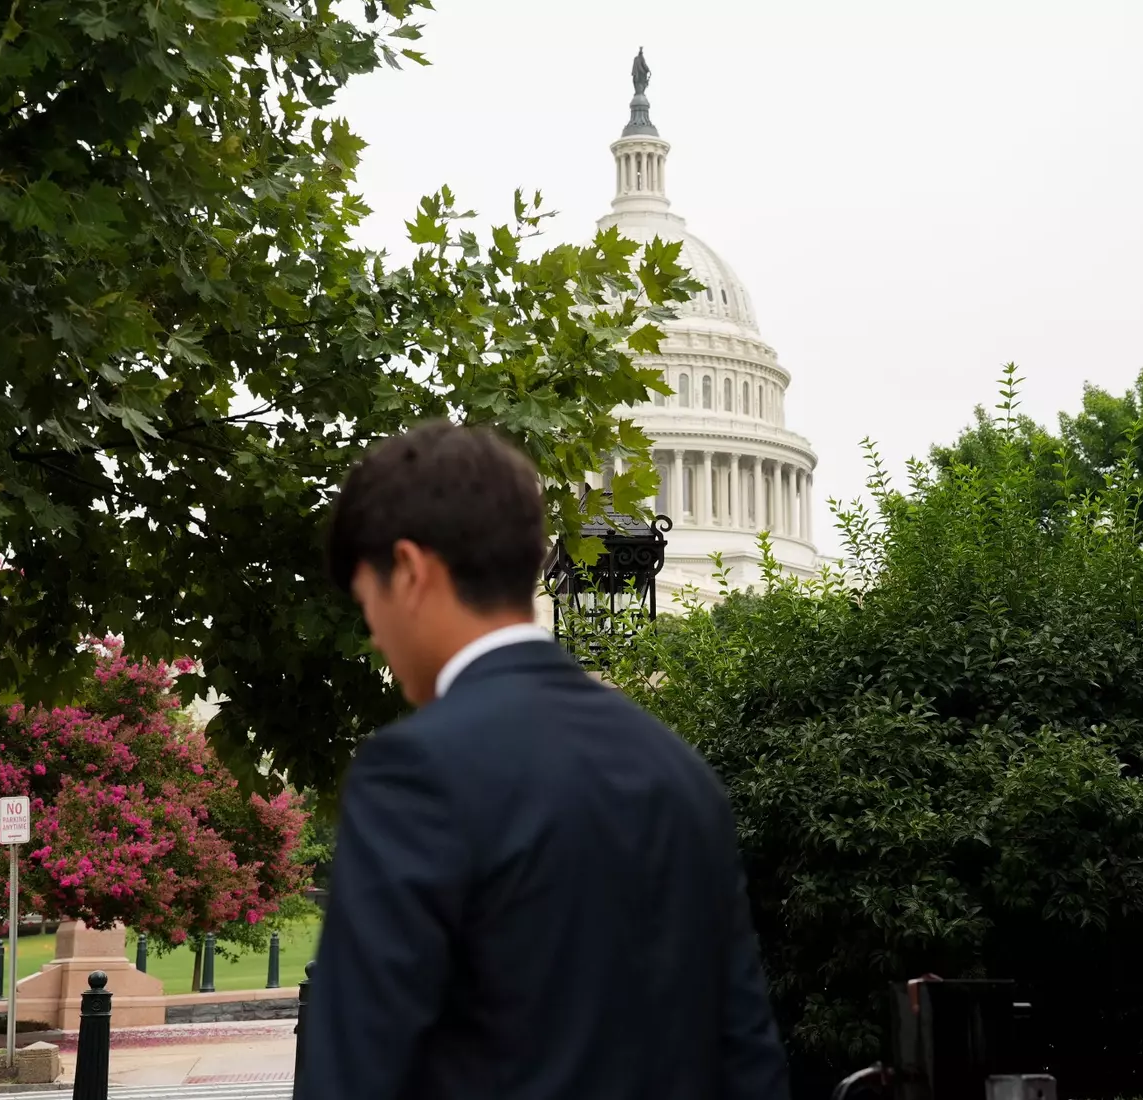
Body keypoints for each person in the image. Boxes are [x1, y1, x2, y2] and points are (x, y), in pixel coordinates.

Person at [304, 420, 789, 1100]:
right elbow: (747, 1060)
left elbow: (358, 1068)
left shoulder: (414, 774)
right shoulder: (680, 773)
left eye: (368, 601)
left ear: (410, 572)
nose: (376, 633)